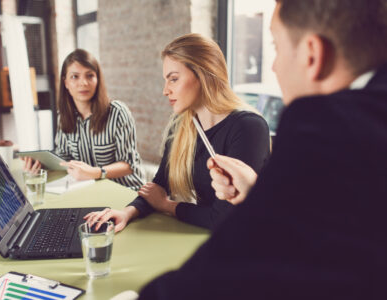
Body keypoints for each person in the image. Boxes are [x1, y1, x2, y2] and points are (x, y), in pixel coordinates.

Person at [137, 0, 387, 298]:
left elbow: (238, 269)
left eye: (277, 47)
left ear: (312, 55)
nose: (273, 66)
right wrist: (256, 193)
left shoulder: (328, 128)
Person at [85, 33, 271, 231]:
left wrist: (167, 206)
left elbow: (223, 218)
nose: (165, 90)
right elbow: (159, 185)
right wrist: (127, 212)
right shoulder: (182, 125)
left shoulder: (248, 128)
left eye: (173, 79)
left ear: (204, 74)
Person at [23, 49, 145, 190]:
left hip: (128, 191)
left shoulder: (118, 112)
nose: (83, 83)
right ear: (66, 83)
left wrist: (95, 172)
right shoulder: (63, 116)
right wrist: (40, 166)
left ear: (97, 79)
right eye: (75, 77)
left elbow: (129, 165)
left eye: (90, 76)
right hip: (92, 190)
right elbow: (63, 158)